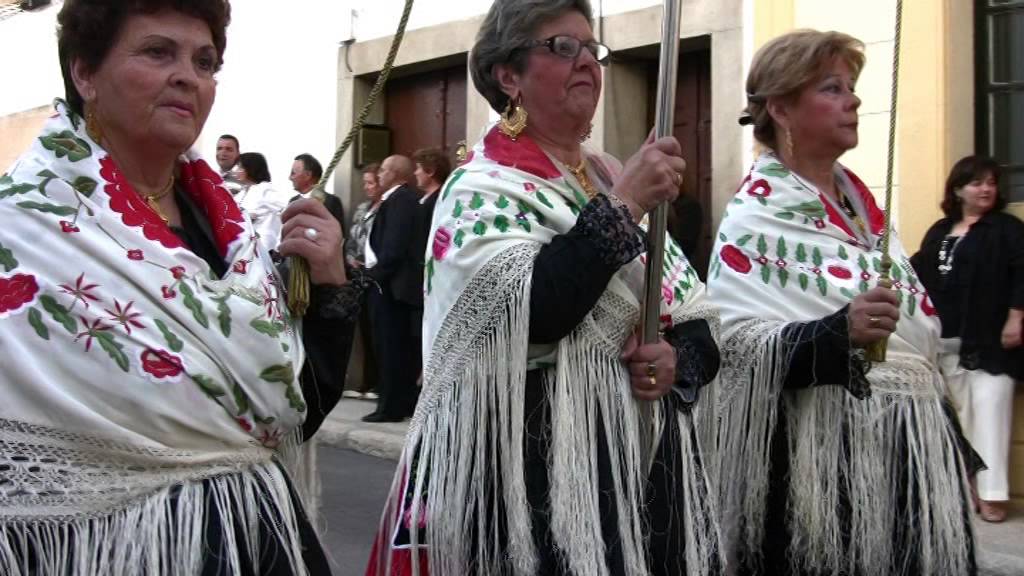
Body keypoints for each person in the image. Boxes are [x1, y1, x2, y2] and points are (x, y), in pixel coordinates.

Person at [0, 1, 366, 573]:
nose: (187, 76)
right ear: (85, 73)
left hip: (256, 539)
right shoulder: (22, 234)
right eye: (157, 52)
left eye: (205, 61)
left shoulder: (235, 236)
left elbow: (285, 415)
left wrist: (326, 290)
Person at [366, 1, 721, 574]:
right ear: (509, 75)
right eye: (562, 47)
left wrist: (677, 360)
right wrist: (626, 204)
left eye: (592, 48)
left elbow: (695, 314)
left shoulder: (606, 174)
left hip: (642, 472)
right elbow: (529, 313)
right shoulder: (480, 187)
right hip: (534, 479)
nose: (586, 61)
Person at [708, 30, 976, 575]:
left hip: (909, 453)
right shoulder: (754, 218)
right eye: (832, 88)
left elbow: (914, 341)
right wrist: (836, 332)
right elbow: (732, 350)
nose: (853, 100)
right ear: (781, 107)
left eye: (851, 87)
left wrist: (952, 448)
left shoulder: (862, 211)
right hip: (823, 469)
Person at [911, 155, 1024, 523]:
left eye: (991, 182)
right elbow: (918, 272)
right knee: (957, 419)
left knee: (991, 412)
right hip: (947, 340)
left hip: (993, 341)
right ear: (958, 189)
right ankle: (966, 487)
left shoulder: (1007, 229)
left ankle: (993, 495)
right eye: (977, 182)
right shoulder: (939, 230)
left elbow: (1023, 272)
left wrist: (1016, 317)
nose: (986, 189)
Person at [361, 154, 422, 423]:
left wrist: (374, 275)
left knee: (391, 347)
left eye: (384, 170)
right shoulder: (396, 200)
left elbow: (394, 247)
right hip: (388, 284)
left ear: (395, 173)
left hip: (392, 288)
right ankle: (398, 401)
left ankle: (391, 406)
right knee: (390, 346)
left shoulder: (402, 201)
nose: (380, 175)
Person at [344, 163, 383, 400]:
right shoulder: (361, 209)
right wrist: (350, 259)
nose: (367, 188)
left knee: (379, 332)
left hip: (376, 276)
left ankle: (379, 382)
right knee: (364, 332)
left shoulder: (387, 208)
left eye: (371, 183)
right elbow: (352, 239)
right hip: (357, 276)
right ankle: (365, 381)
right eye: (365, 183)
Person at [235, 151, 287, 252]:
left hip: (261, 248)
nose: (237, 171)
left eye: (240, 167)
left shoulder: (265, 189)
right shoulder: (242, 192)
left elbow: (284, 209)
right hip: (243, 247)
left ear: (250, 168)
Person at [290, 152, 345, 231]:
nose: (290, 178)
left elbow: (339, 236)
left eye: (293, 173)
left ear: (308, 175)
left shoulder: (331, 202)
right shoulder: (292, 202)